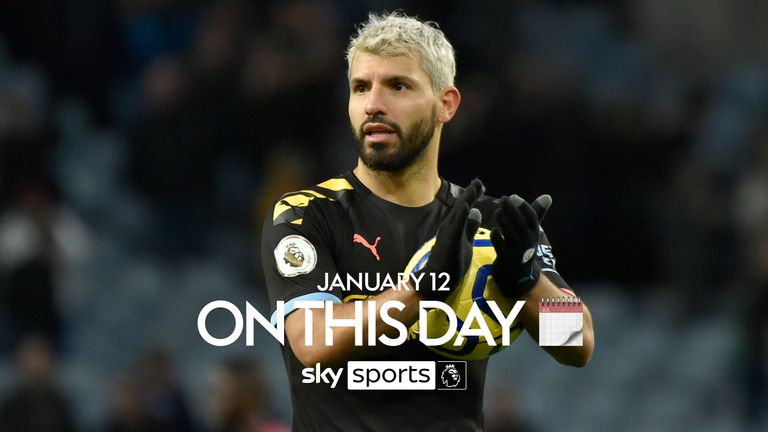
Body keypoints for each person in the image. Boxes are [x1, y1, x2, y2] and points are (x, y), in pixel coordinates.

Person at [261, 12, 595, 431]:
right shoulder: (307, 213)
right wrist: (420, 292)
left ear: (446, 104)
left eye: (398, 86)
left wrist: (527, 282)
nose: (373, 104)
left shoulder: (491, 223)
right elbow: (311, 341)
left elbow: (577, 344)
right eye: (361, 87)